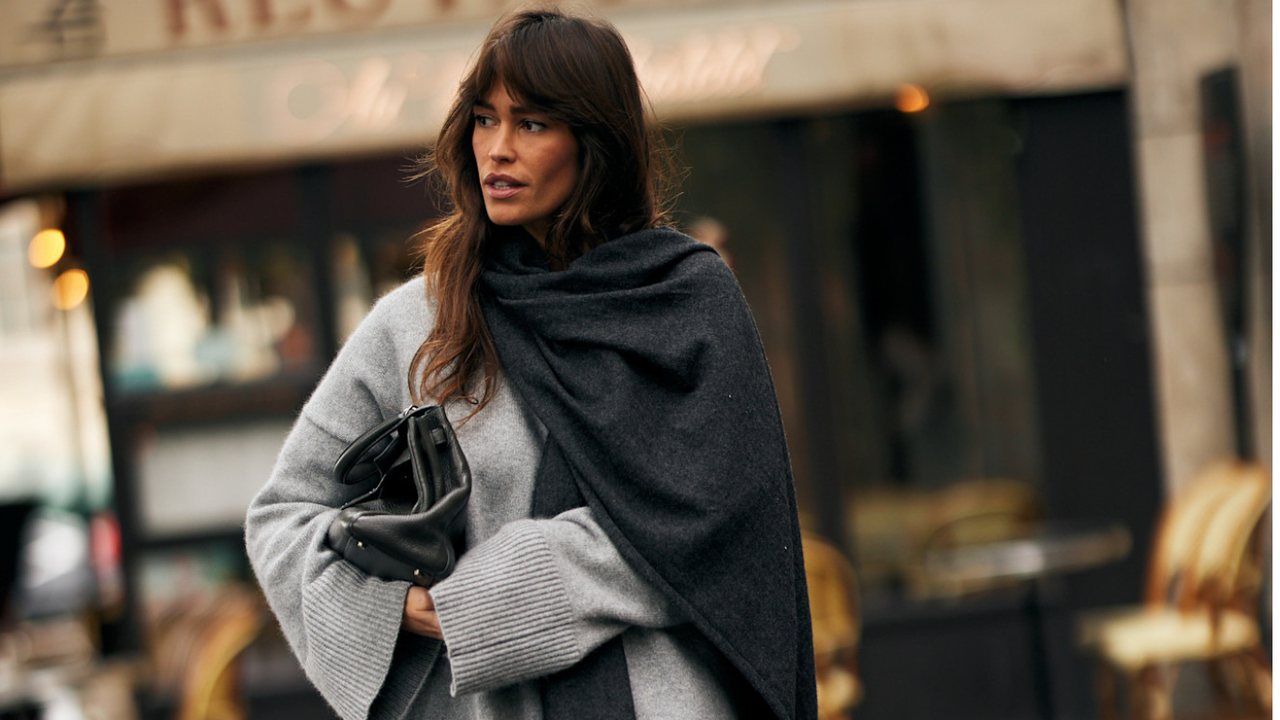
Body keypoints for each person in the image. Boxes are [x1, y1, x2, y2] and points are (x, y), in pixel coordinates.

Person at [245, 9, 816, 720]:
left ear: (594, 143)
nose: (498, 150)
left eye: (533, 124)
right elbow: (282, 516)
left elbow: (726, 527)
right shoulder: (419, 323)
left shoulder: (684, 304)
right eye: (485, 120)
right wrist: (398, 605)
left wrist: (497, 599)